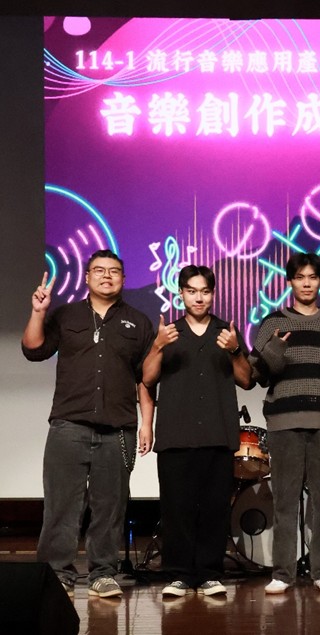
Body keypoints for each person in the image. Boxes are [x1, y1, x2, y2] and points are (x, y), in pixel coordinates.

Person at [21, 249, 155, 598]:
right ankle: (57, 574)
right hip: (69, 426)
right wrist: (38, 312)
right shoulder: (66, 315)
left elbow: (145, 379)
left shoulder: (138, 322)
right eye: (99, 270)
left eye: (114, 271)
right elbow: (33, 349)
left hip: (119, 429)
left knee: (110, 508)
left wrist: (147, 424)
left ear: (123, 279)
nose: (106, 276)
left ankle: (103, 574)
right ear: (86, 277)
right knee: (61, 506)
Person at [142, 265, 254, 598]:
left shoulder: (226, 331)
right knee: (176, 508)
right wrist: (158, 346)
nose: (199, 297)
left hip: (218, 433)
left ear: (213, 294)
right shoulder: (169, 332)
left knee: (215, 508)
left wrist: (234, 349)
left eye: (205, 291)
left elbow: (246, 379)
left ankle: (209, 573)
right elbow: (147, 378)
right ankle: (178, 574)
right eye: (191, 291)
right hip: (176, 434)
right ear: (181, 293)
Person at [251, 251, 320, 594]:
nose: (307, 283)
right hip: (283, 418)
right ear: (290, 282)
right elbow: (256, 374)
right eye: (300, 277)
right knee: (285, 499)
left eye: (313, 277)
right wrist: (274, 351)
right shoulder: (273, 322)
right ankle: (283, 573)